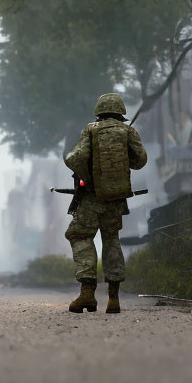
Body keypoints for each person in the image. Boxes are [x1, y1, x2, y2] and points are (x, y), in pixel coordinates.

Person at [64, 93, 147, 314]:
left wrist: (85, 177)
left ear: (99, 111)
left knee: (80, 235)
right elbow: (140, 161)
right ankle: (113, 299)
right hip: (116, 199)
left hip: (91, 198)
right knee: (111, 239)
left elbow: (74, 158)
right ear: (120, 112)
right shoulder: (128, 131)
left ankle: (87, 295)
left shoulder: (90, 130)